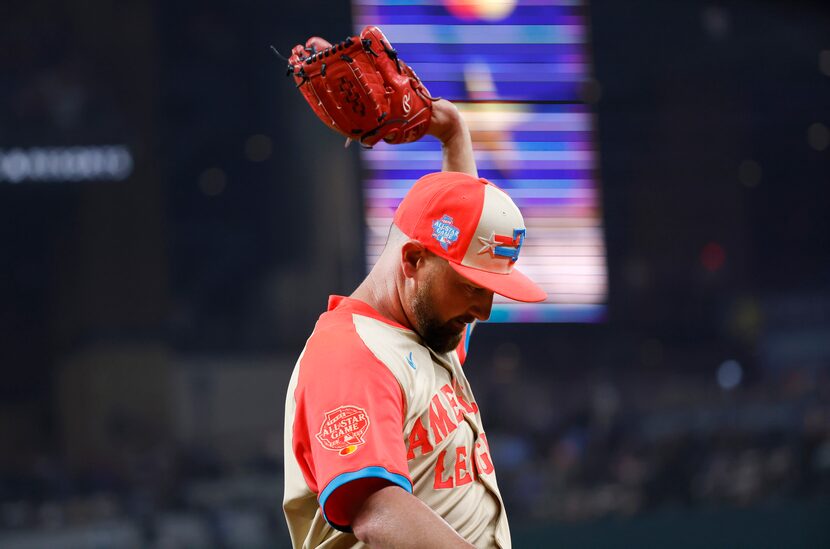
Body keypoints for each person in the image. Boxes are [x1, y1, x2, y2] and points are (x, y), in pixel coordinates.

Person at [283, 98, 546, 548]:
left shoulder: (426, 332)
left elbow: (459, 226)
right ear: (412, 259)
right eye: (472, 288)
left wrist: (454, 135)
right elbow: (378, 512)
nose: (483, 311)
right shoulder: (351, 354)